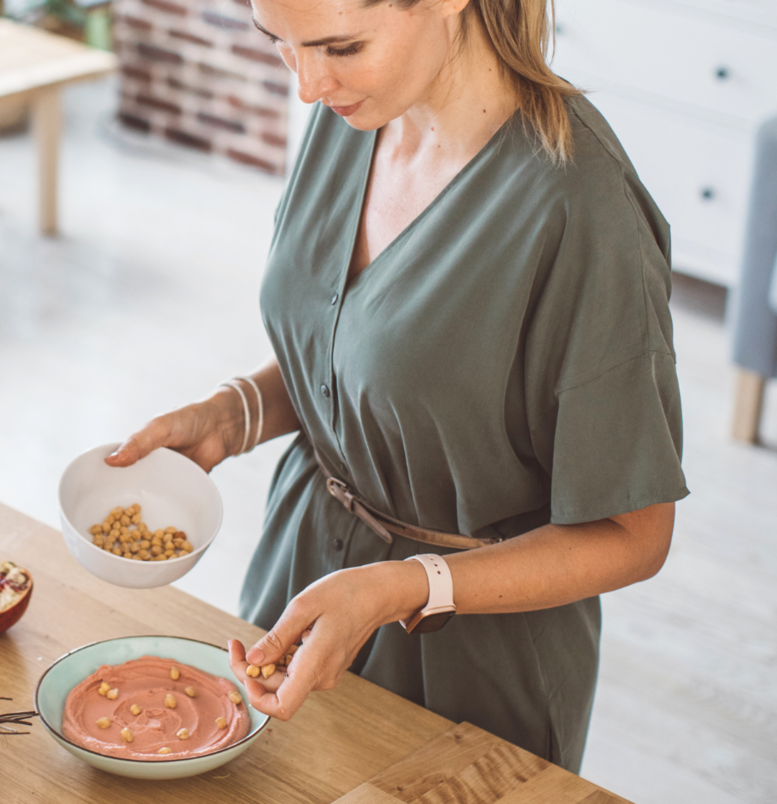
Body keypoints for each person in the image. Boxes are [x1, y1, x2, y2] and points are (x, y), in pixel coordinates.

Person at [105, 0, 687, 772]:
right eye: (279, 44)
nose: (308, 84)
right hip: (304, 575)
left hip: (472, 657)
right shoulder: (359, 110)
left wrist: (406, 587)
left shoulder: (582, 209)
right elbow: (376, 351)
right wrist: (233, 415)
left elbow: (633, 537)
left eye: (340, 46)